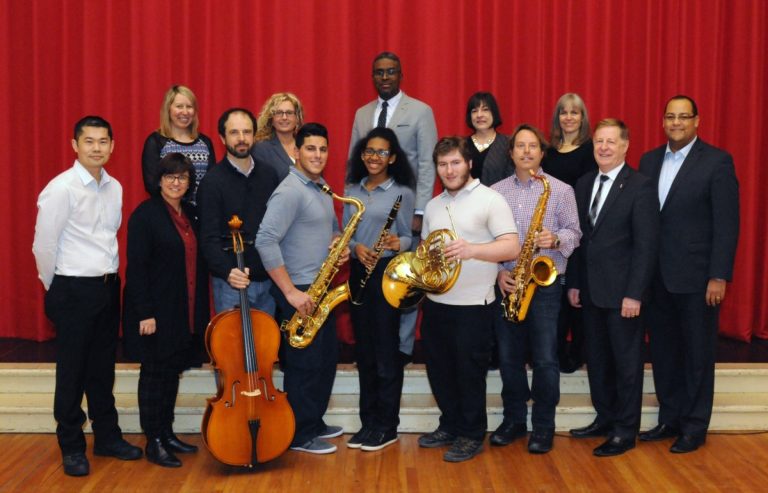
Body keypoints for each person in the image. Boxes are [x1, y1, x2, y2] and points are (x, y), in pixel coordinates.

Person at [32, 116, 142, 477]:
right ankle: (72, 445)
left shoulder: (115, 187)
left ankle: (107, 437)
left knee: (102, 369)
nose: (97, 148)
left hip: (107, 287)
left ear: (112, 146)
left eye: (103, 141)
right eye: (89, 141)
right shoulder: (61, 188)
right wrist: (57, 288)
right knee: (72, 372)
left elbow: (108, 236)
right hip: (72, 289)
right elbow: (44, 245)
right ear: (75, 145)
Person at [638, 95, 739, 453]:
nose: (676, 123)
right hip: (657, 278)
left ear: (697, 121)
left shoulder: (717, 162)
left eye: (683, 117)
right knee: (664, 352)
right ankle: (670, 418)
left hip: (698, 279)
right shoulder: (649, 161)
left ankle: (695, 426)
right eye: (670, 116)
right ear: (663, 122)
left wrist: (719, 275)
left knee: (697, 355)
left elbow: (727, 224)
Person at [417, 136, 520, 463]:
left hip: (474, 306)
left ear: (469, 164)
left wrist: (472, 249)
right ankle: (449, 425)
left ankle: (472, 434)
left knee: (469, 374)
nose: (449, 170)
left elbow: (511, 246)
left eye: (455, 163)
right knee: (440, 371)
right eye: (443, 164)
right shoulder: (433, 206)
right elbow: (425, 251)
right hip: (436, 303)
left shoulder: (490, 199)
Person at [566, 119, 659, 457]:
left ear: (625, 146)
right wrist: (575, 283)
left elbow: (646, 246)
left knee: (626, 364)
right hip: (591, 292)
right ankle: (605, 418)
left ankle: (625, 430)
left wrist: (635, 293)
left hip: (623, 296)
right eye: (599, 141)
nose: (603, 147)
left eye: (610, 141)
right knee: (598, 361)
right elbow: (580, 239)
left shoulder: (640, 186)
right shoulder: (584, 183)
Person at [255, 123, 348, 455]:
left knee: (323, 359)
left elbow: (332, 230)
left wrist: (337, 244)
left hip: (319, 285)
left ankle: (313, 421)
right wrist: (291, 292)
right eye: (310, 148)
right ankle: (298, 433)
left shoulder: (321, 187)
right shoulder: (290, 190)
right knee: (303, 363)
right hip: (299, 288)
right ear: (296, 152)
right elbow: (265, 240)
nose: (317, 155)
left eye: (323, 149)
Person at [490, 124, 581, 454]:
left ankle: (544, 425)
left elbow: (575, 233)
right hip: (509, 283)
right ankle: (514, 420)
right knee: (509, 358)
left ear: (543, 153)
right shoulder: (496, 192)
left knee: (545, 359)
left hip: (545, 284)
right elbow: (487, 240)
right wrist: (499, 272)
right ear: (511, 152)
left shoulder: (561, 190)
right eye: (520, 146)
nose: (526, 152)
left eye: (533, 146)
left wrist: (555, 239)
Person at [348, 51, 438, 360]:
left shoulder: (421, 111)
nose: (385, 77)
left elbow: (426, 163)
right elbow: (354, 161)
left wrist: (420, 211)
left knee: (404, 276)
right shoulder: (362, 114)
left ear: (401, 75)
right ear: (372, 77)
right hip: (368, 206)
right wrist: (352, 205)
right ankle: (374, 346)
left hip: (405, 208)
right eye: (379, 72)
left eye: (391, 71)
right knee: (370, 277)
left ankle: (402, 347)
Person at [122, 153, 210, 468]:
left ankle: (167, 433)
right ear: (159, 180)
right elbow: (136, 269)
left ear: (189, 182)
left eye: (182, 177)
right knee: (154, 376)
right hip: (155, 313)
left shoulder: (192, 213)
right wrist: (145, 313)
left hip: (182, 310)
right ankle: (154, 441)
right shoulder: (145, 215)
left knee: (172, 372)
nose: (176, 182)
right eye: (170, 176)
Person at [344, 128, 415, 451]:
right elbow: (347, 234)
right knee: (365, 351)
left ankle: (387, 426)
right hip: (359, 271)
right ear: (362, 155)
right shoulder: (352, 190)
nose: (375, 157)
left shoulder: (402, 192)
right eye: (369, 151)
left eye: (382, 152)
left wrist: (399, 242)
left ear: (393, 157)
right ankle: (368, 423)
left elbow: (411, 238)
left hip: (387, 275)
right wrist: (356, 248)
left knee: (386, 352)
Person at [196, 108, 279, 315]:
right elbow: (208, 238)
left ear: (254, 135)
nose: (241, 138)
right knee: (233, 337)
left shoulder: (269, 175)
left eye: (247, 132)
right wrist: (228, 271)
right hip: (231, 284)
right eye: (234, 132)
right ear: (222, 138)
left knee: (268, 337)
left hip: (268, 281)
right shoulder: (212, 182)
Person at [542, 93, 598, 373]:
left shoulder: (591, 150)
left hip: (580, 229)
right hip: (552, 232)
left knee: (577, 294)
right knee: (556, 295)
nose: (568, 117)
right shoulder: (548, 151)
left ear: (583, 117)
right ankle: (556, 352)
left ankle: (578, 352)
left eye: (574, 112)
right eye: (563, 112)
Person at [141, 85, 216, 203]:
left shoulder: (205, 142)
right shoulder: (155, 141)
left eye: (189, 107)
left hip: (201, 211)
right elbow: (152, 185)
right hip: (167, 210)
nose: (185, 112)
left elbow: (211, 183)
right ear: (168, 109)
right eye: (179, 106)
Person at [251, 92, 305, 182]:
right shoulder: (260, 149)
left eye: (289, 113)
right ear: (271, 119)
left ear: (297, 118)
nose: (284, 117)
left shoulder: (306, 145)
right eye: (279, 113)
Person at [464, 92, 513, 185]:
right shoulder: (461, 145)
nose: (479, 115)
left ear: (494, 113)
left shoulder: (508, 144)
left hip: (499, 194)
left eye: (485, 109)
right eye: (474, 111)